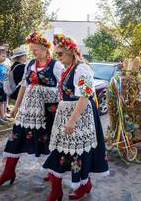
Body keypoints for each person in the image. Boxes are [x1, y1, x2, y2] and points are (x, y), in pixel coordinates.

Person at [0, 32, 64, 187]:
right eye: (32, 49)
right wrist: (16, 107)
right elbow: (24, 85)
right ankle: (8, 172)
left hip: (48, 111)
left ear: (45, 49)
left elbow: (63, 87)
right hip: (27, 109)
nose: (33, 52)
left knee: (51, 141)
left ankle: (53, 172)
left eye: (35, 49)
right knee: (15, 138)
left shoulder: (56, 65)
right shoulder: (29, 64)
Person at [43, 34, 109, 201]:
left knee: (79, 152)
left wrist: (72, 120)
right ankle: (57, 190)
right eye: (56, 54)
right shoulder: (68, 68)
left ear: (71, 51)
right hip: (66, 113)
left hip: (80, 115)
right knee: (59, 150)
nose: (58, 58)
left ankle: (83, 184)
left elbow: (85, 95)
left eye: (60, 54)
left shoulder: (81, 68)